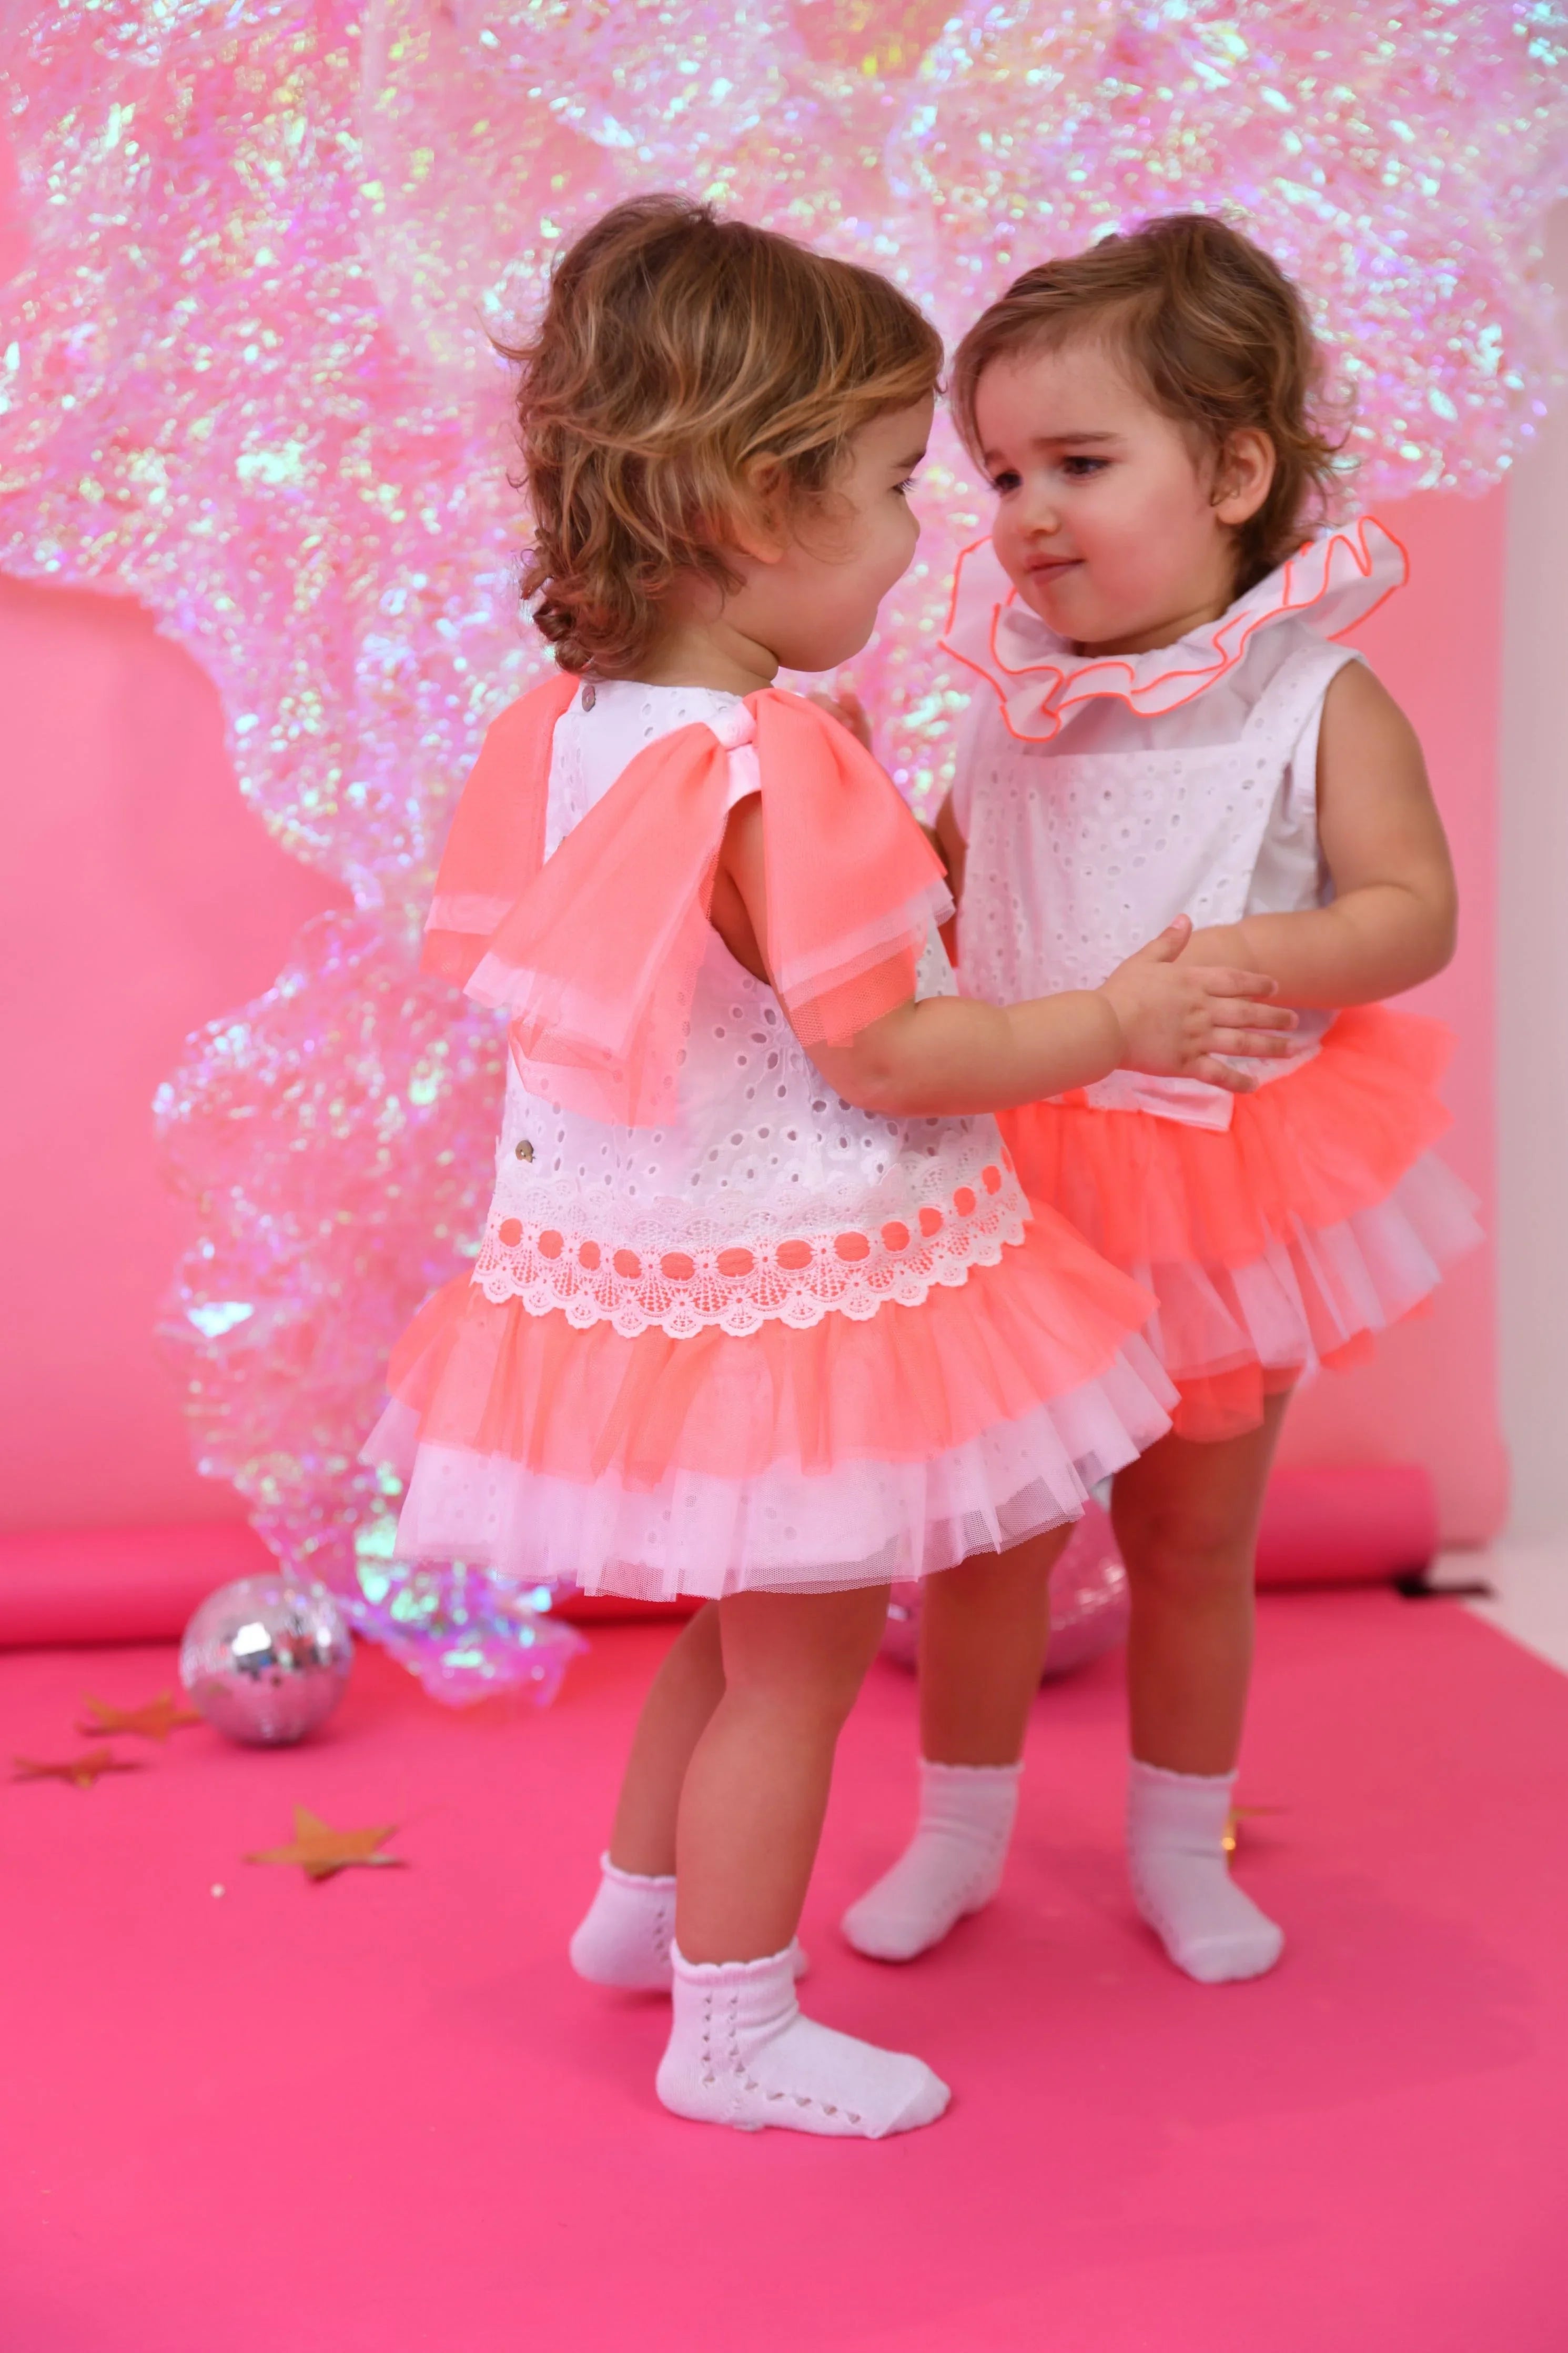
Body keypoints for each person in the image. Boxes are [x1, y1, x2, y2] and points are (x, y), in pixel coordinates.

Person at [366, 196, 1292, 2137]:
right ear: (755, 514)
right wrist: (1111, 1024)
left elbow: (681, 956)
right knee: (790, 1664)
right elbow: (889, 1042)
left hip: (640, 1259)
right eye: (891, 488)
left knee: (727, 1622)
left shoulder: (582, 725)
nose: (926, 531)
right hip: (800, 1273)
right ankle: (736, 2025)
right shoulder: (778, 771)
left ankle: (639, 1917)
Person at [840, 213, 1479, 1988]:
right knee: (989, 1542)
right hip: (1018, 1164)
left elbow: (1410, 912)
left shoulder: (1312, 694)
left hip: (1219, 1170)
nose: (1029, 511)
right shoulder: (1009, 707)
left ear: (1233, 470)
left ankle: (1175, 1844)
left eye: (1083, 463)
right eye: (1001, 473)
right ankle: (958, 1836)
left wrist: (1271, 953)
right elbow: (953, 908)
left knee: (1193, 1538)